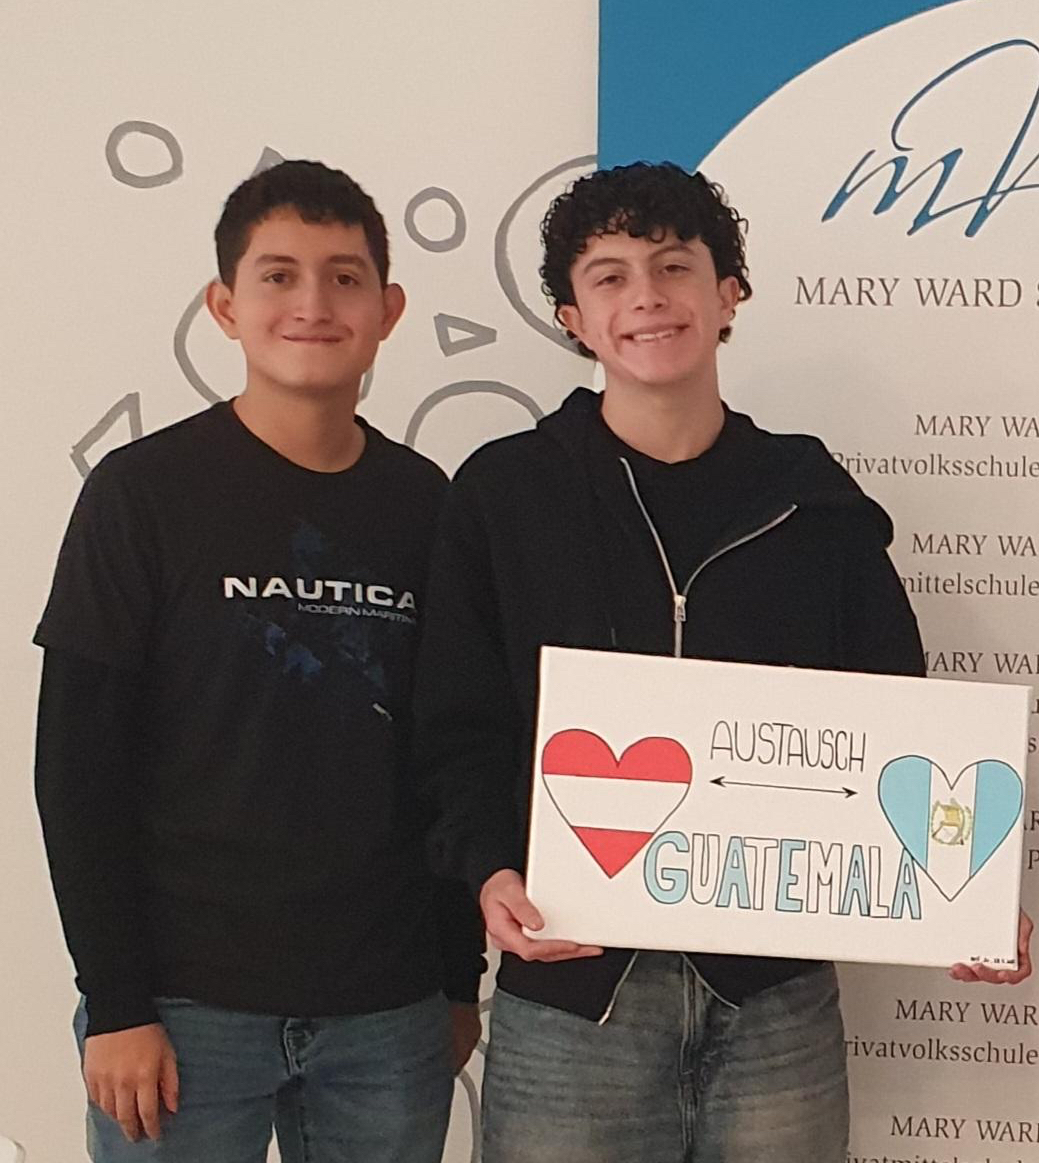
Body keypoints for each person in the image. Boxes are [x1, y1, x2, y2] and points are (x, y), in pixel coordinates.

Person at [413, 161, 1033, 1163]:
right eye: (609, 276)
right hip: (573, 985)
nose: (646, 297)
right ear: (573, 318)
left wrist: (962, 889)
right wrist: (487, 866)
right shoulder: (503, 495)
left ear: (728, 292)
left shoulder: (814, 504)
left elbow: (899, 723)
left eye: (673, 266)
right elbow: (457, 721)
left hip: (772, 997)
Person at [34, 159, 483, 1163]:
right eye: (278, 275)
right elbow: (76, 763)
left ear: (387, 309)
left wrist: (459, 978)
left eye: (344, 277)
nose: (312, 303)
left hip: (389, 1009)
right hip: (182, 1008)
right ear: (225, 306)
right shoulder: (142, 493)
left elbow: (453, 753)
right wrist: (116, 1001)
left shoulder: (430, 505)